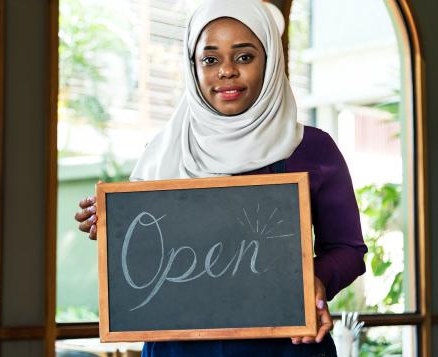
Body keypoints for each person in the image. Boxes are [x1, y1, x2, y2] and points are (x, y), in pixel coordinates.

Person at [74, 0, 367, 355]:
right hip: (177, 350)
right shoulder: (163, 151)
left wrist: (316, 282)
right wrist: (109, 224)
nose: (226, 71)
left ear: (271, 61)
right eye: (210, 60)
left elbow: (348, 250)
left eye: (244, 57)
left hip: (285, 346)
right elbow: (145, 260)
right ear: (192, 66)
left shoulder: (311, 148)